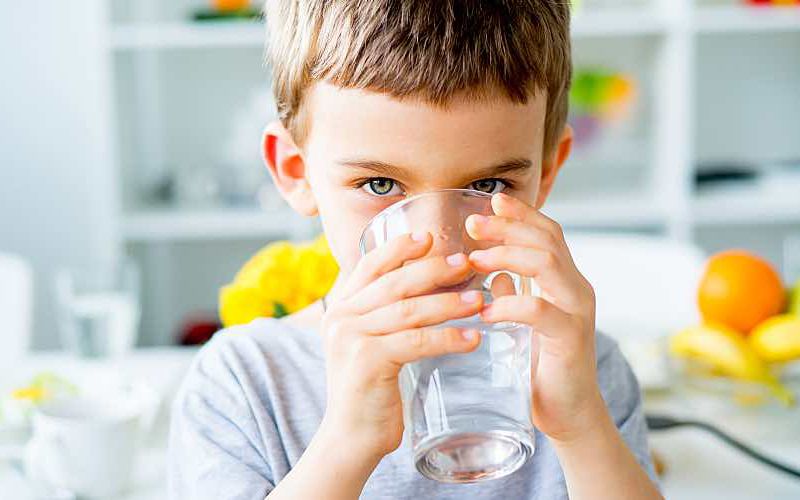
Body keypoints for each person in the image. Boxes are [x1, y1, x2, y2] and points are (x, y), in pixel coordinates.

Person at [169, 1, 663, 498]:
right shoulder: (245, 384)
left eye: (489, 184)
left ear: (547, 172)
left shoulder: (584, 368)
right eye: (381, 185)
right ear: (297, 173)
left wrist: (581, 426)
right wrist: (347, 441)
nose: (439, 246)